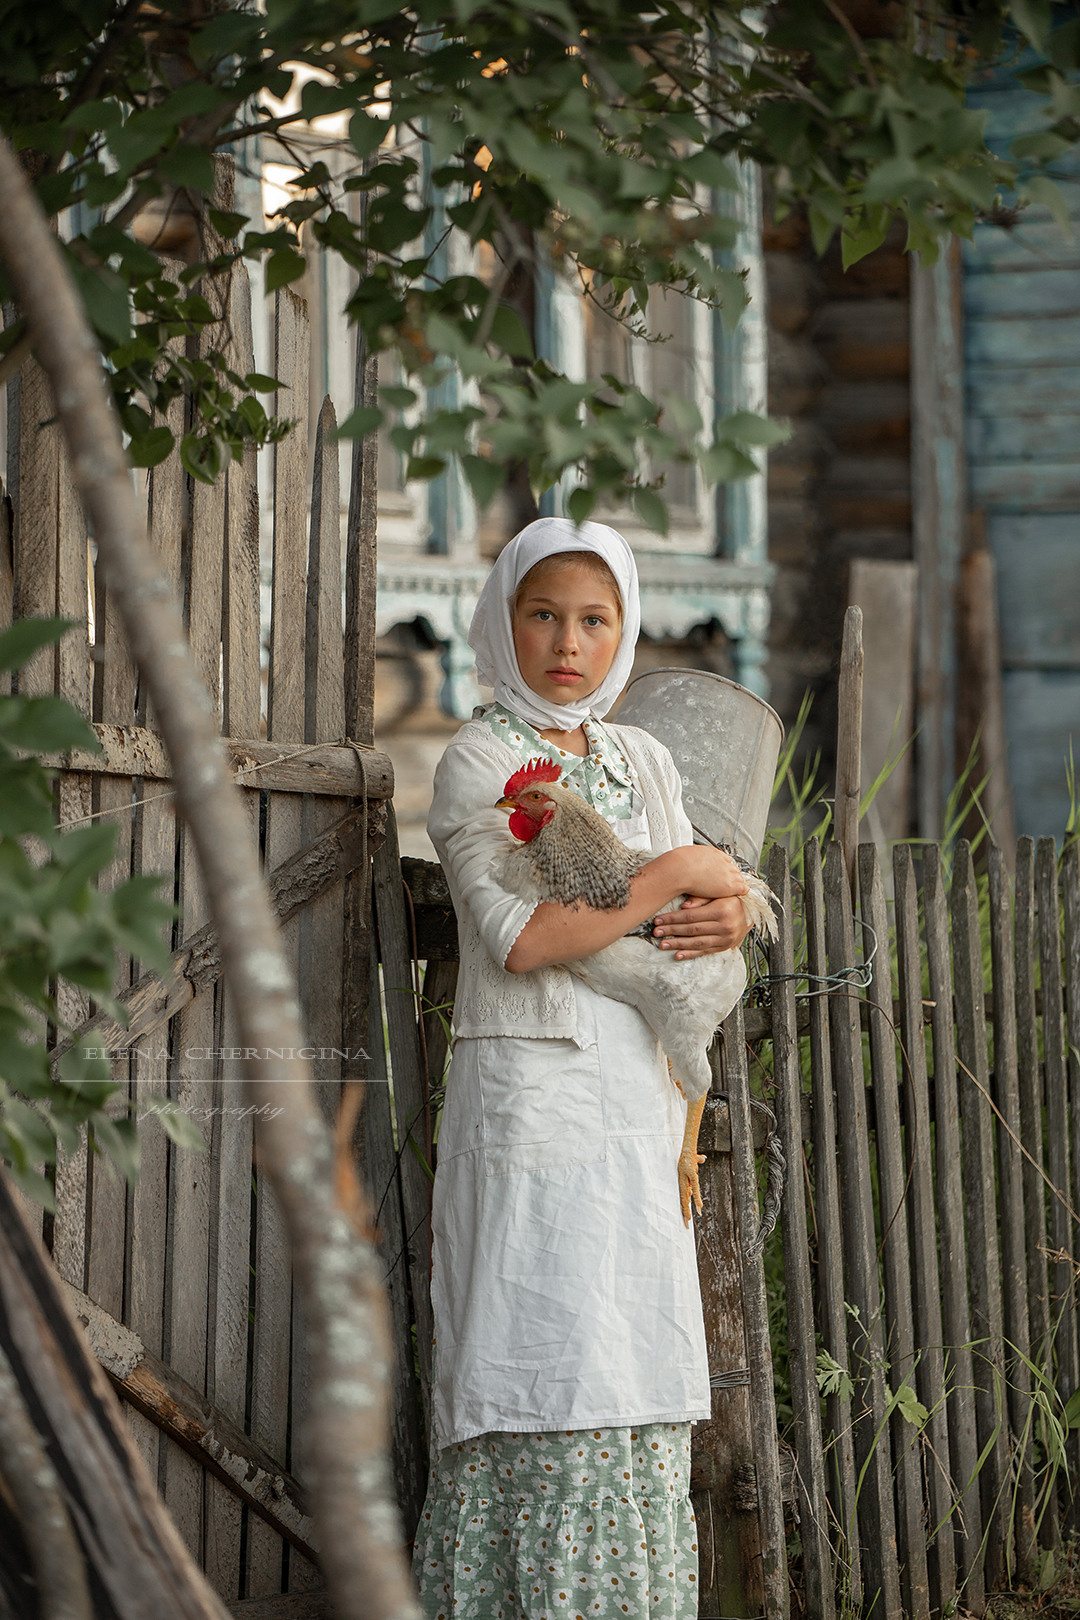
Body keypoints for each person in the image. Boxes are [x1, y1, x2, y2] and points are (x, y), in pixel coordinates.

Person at [413, 517, 752, 1620]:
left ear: (625, 631)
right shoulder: (480, 756)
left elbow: (693, 922)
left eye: (596, 619)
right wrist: (677, 875)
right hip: (530, 1112)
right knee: (531, 1355)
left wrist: (728, 900)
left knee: (631, 1362)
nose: (570, 641)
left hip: (639, 1107)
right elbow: (521, 936)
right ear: (504, 621)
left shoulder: (642, 757)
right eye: (544, 614)